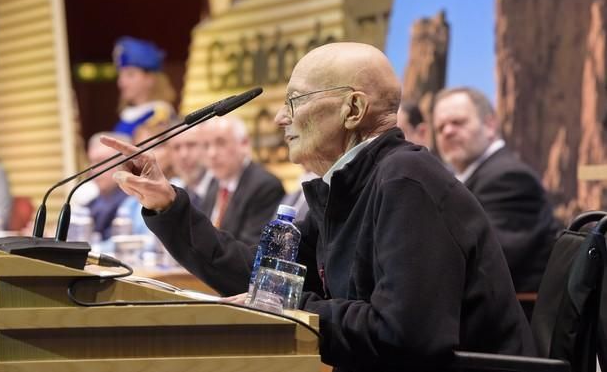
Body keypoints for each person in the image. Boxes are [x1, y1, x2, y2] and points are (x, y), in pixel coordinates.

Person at [102, 42, 535, 371]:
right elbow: (266, 281)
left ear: (353, 108)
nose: (280, 119)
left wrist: (289, 309)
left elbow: (406, 337)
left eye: (295, 100)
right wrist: (170, 207)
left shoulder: (406, 183)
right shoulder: (349, 183)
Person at [432, 87, 558, 295]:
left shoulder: (509, 178)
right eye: (440, 128)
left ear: (490, 125)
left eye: (458, 122)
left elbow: (484, 263)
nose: (447, 132)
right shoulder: (464, 179)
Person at [197, 116, 285, 245]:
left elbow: (249, 248)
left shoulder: (265, 186)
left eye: (220, 143)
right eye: (206, 146)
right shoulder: (214, 184)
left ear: (244, 144)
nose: (212, 153)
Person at [113, 36, 177, 136]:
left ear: (150, 79)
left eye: (130, 75)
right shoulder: (127, 116)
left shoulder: (159, 115)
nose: (121, 82)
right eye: (120, 75)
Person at [84, 132, 131, 239]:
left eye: (101, 162)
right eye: (91, 162)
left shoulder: (134, 204)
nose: (94, 169)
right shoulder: (91, 204)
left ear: (125, 163)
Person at [168, 124, 213, 208]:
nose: (183, 155)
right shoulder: (174, 195)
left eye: (191, 145)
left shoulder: (223, 189)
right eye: (176, 147)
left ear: (206, 147)